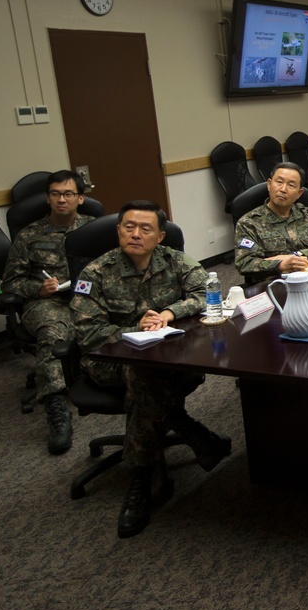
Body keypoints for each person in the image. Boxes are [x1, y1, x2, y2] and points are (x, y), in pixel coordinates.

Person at [71, 201, 232, 538]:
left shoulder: (175, 261)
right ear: (118, 231)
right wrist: (135, 331)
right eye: (128, 227)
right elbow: (86, 332)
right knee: (140, 373)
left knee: (144, 381)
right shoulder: (96, 272)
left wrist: (168, 313)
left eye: (145, 229)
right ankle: (147, 472)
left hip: (166, 354)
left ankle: (179, 448)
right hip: (108, 359)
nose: (135, 234)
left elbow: (207, 292)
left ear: (159, 236)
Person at [2, 170, 95, 454]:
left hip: (86, 298)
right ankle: (57, 410)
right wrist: (37, 289)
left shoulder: (96, 229)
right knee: (52, 332)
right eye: (55, 194)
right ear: (48, 198)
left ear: (80, 198)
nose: (61, 200)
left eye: (68, 194)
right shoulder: (29, 236)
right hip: (46, 303)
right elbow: (10, 282)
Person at [235, 161, 308, 282]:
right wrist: (279, 264)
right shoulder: (249, 223)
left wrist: (297, 256)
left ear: (299, 193)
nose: (283, 189)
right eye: (279, 182)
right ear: (269, 184)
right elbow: (244, 263)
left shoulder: (307, 214)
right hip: (272, 283)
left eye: (291, 185)